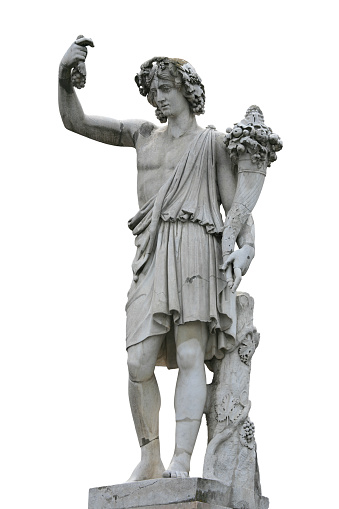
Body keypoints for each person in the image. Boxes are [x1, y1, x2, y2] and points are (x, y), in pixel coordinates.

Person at [58, 38, 256, 480]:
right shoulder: (142, 136)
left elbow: (238, 211)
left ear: (187, 90)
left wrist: (245, 251)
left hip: (195, 249)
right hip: (150, 254)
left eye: (165, 88)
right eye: (153, 91)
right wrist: (64, 79)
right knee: (137, 361)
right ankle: (149, 454)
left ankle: (181, 459)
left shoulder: (213, 143)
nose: (158, 97)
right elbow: (77, 122)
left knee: (189, 353)